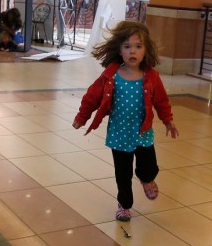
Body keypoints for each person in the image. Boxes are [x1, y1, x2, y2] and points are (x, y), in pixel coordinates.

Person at [72, 22, 178, 221]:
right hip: (119, 134)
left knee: (149, 167)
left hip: (143, 132)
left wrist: (168, 120)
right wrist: (82, 117)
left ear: (146, 50)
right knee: (123, 174)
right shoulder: (111, 76)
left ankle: (146, 179)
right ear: (119, 50)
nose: (132, 51)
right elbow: (92, 97)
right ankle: (124, 205)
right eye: (127, 46)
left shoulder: (151, 76)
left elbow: (162, 101)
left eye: (138, 46)